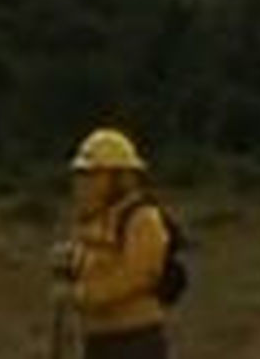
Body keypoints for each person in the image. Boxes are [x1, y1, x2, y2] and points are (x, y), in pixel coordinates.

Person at [52, 128, 174, 359]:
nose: (83, 183)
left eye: (93, 174)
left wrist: (84, 295)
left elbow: (138, 275)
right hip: (98, 339)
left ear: (120, 177)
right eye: (81, 174)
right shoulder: (92, 221)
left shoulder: (142, 219)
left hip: (134, 339)